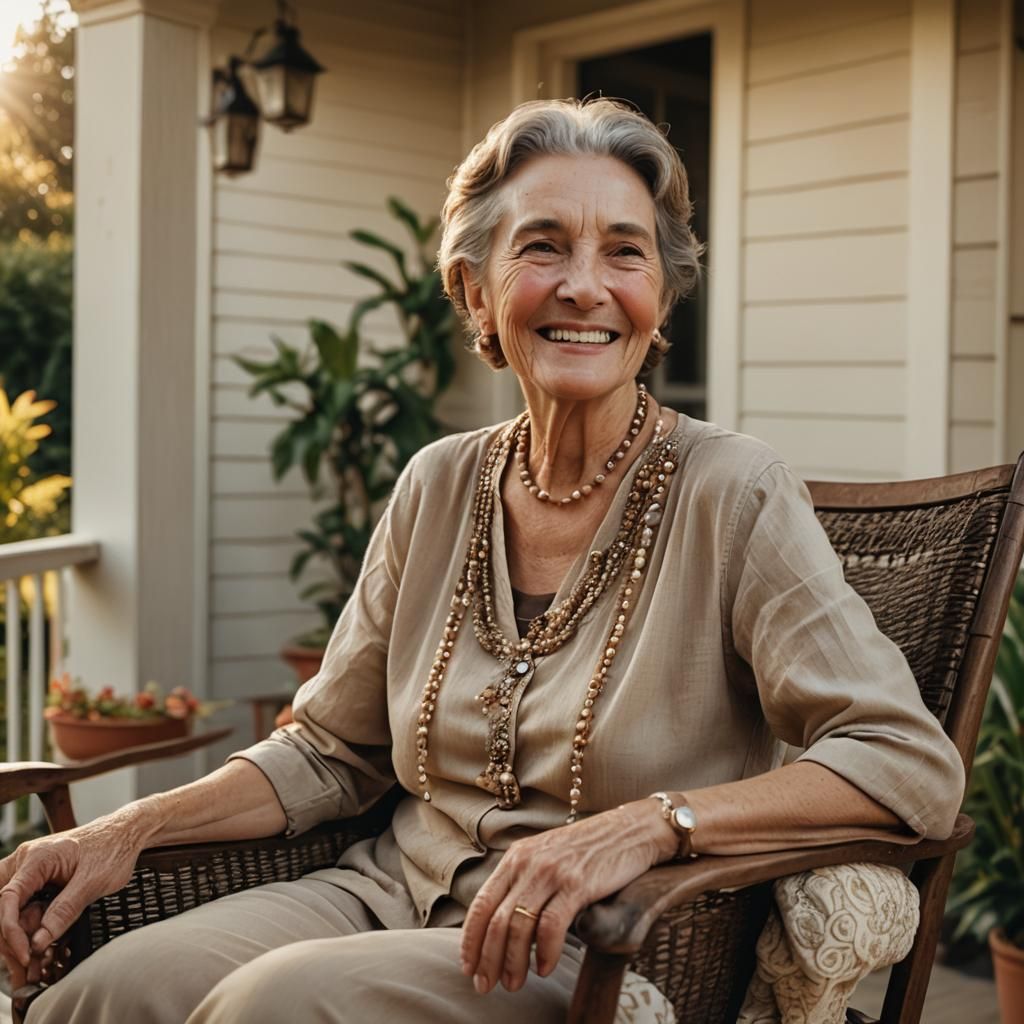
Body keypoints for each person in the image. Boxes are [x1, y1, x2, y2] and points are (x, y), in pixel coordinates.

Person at [0, 98, 964, 1024]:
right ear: (475, 290)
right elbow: (329, 751)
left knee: (274, 1008)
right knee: (107, 992)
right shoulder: (439, 482)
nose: (585, 285)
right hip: (379, 891)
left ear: (658, 298)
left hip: (582, 946)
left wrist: (651, 823)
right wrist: (122, 830)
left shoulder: (734, 490)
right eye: (542, 246)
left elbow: (905, 761)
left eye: (623, 253)